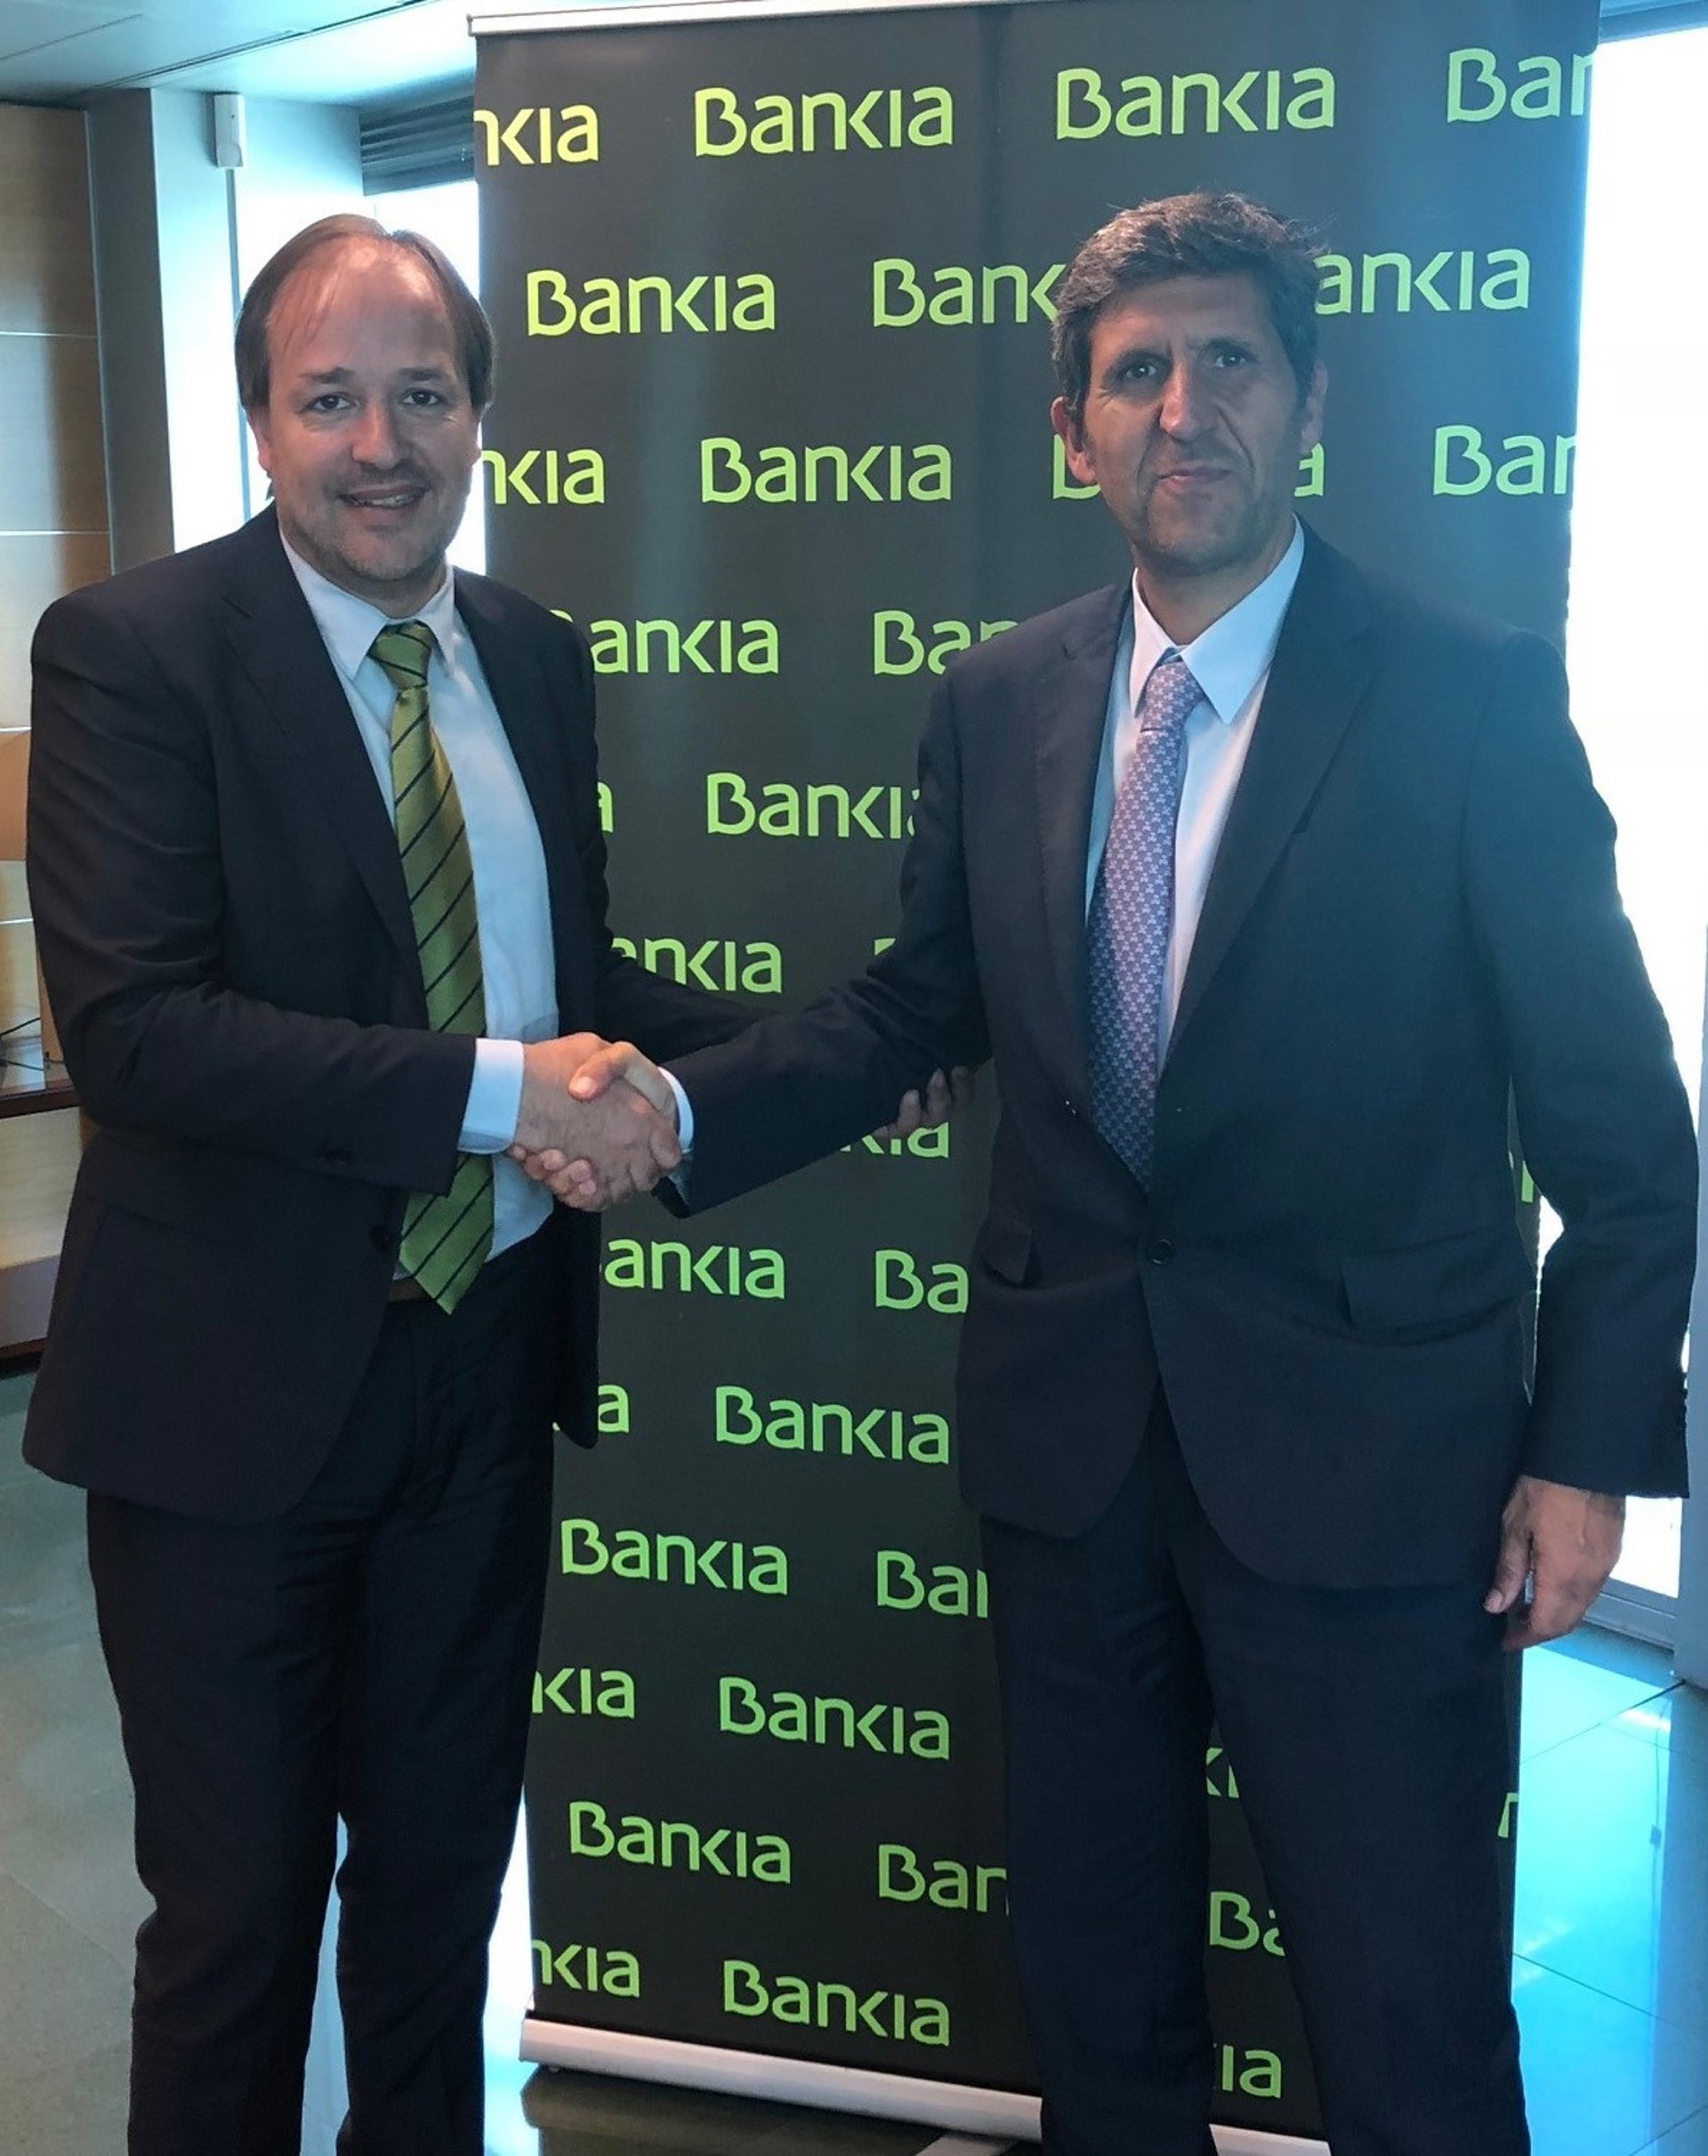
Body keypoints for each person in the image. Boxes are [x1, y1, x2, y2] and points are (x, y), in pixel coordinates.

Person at [536, 193, 1699, 2155]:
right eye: (1136, 371)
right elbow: (910, 1011)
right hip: (1071, 1464)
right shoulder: (1001, 697)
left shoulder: (1467, 697)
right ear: (1072, 426)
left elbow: (1628, 1137)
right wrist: (674, 1111)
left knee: (1405, 2012)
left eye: (1228, 360)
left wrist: (1583, 1458)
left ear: (1310, 400)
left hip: (1370, 1479)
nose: (1183, 407)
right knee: (1098, 1992)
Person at [22, 213, 773, 2156]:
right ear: (260, 422)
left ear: (479, 417)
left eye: (422, 395)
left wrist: (827, 1053)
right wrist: (516, 1095)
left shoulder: (530, 653)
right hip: (228, 1405)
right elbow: (144, 1034)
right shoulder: (130, 652)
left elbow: (563, 992)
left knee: (439, 1905)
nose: (381, 444)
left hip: (483, 1376)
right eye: (330, 399)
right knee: (238, 1926)